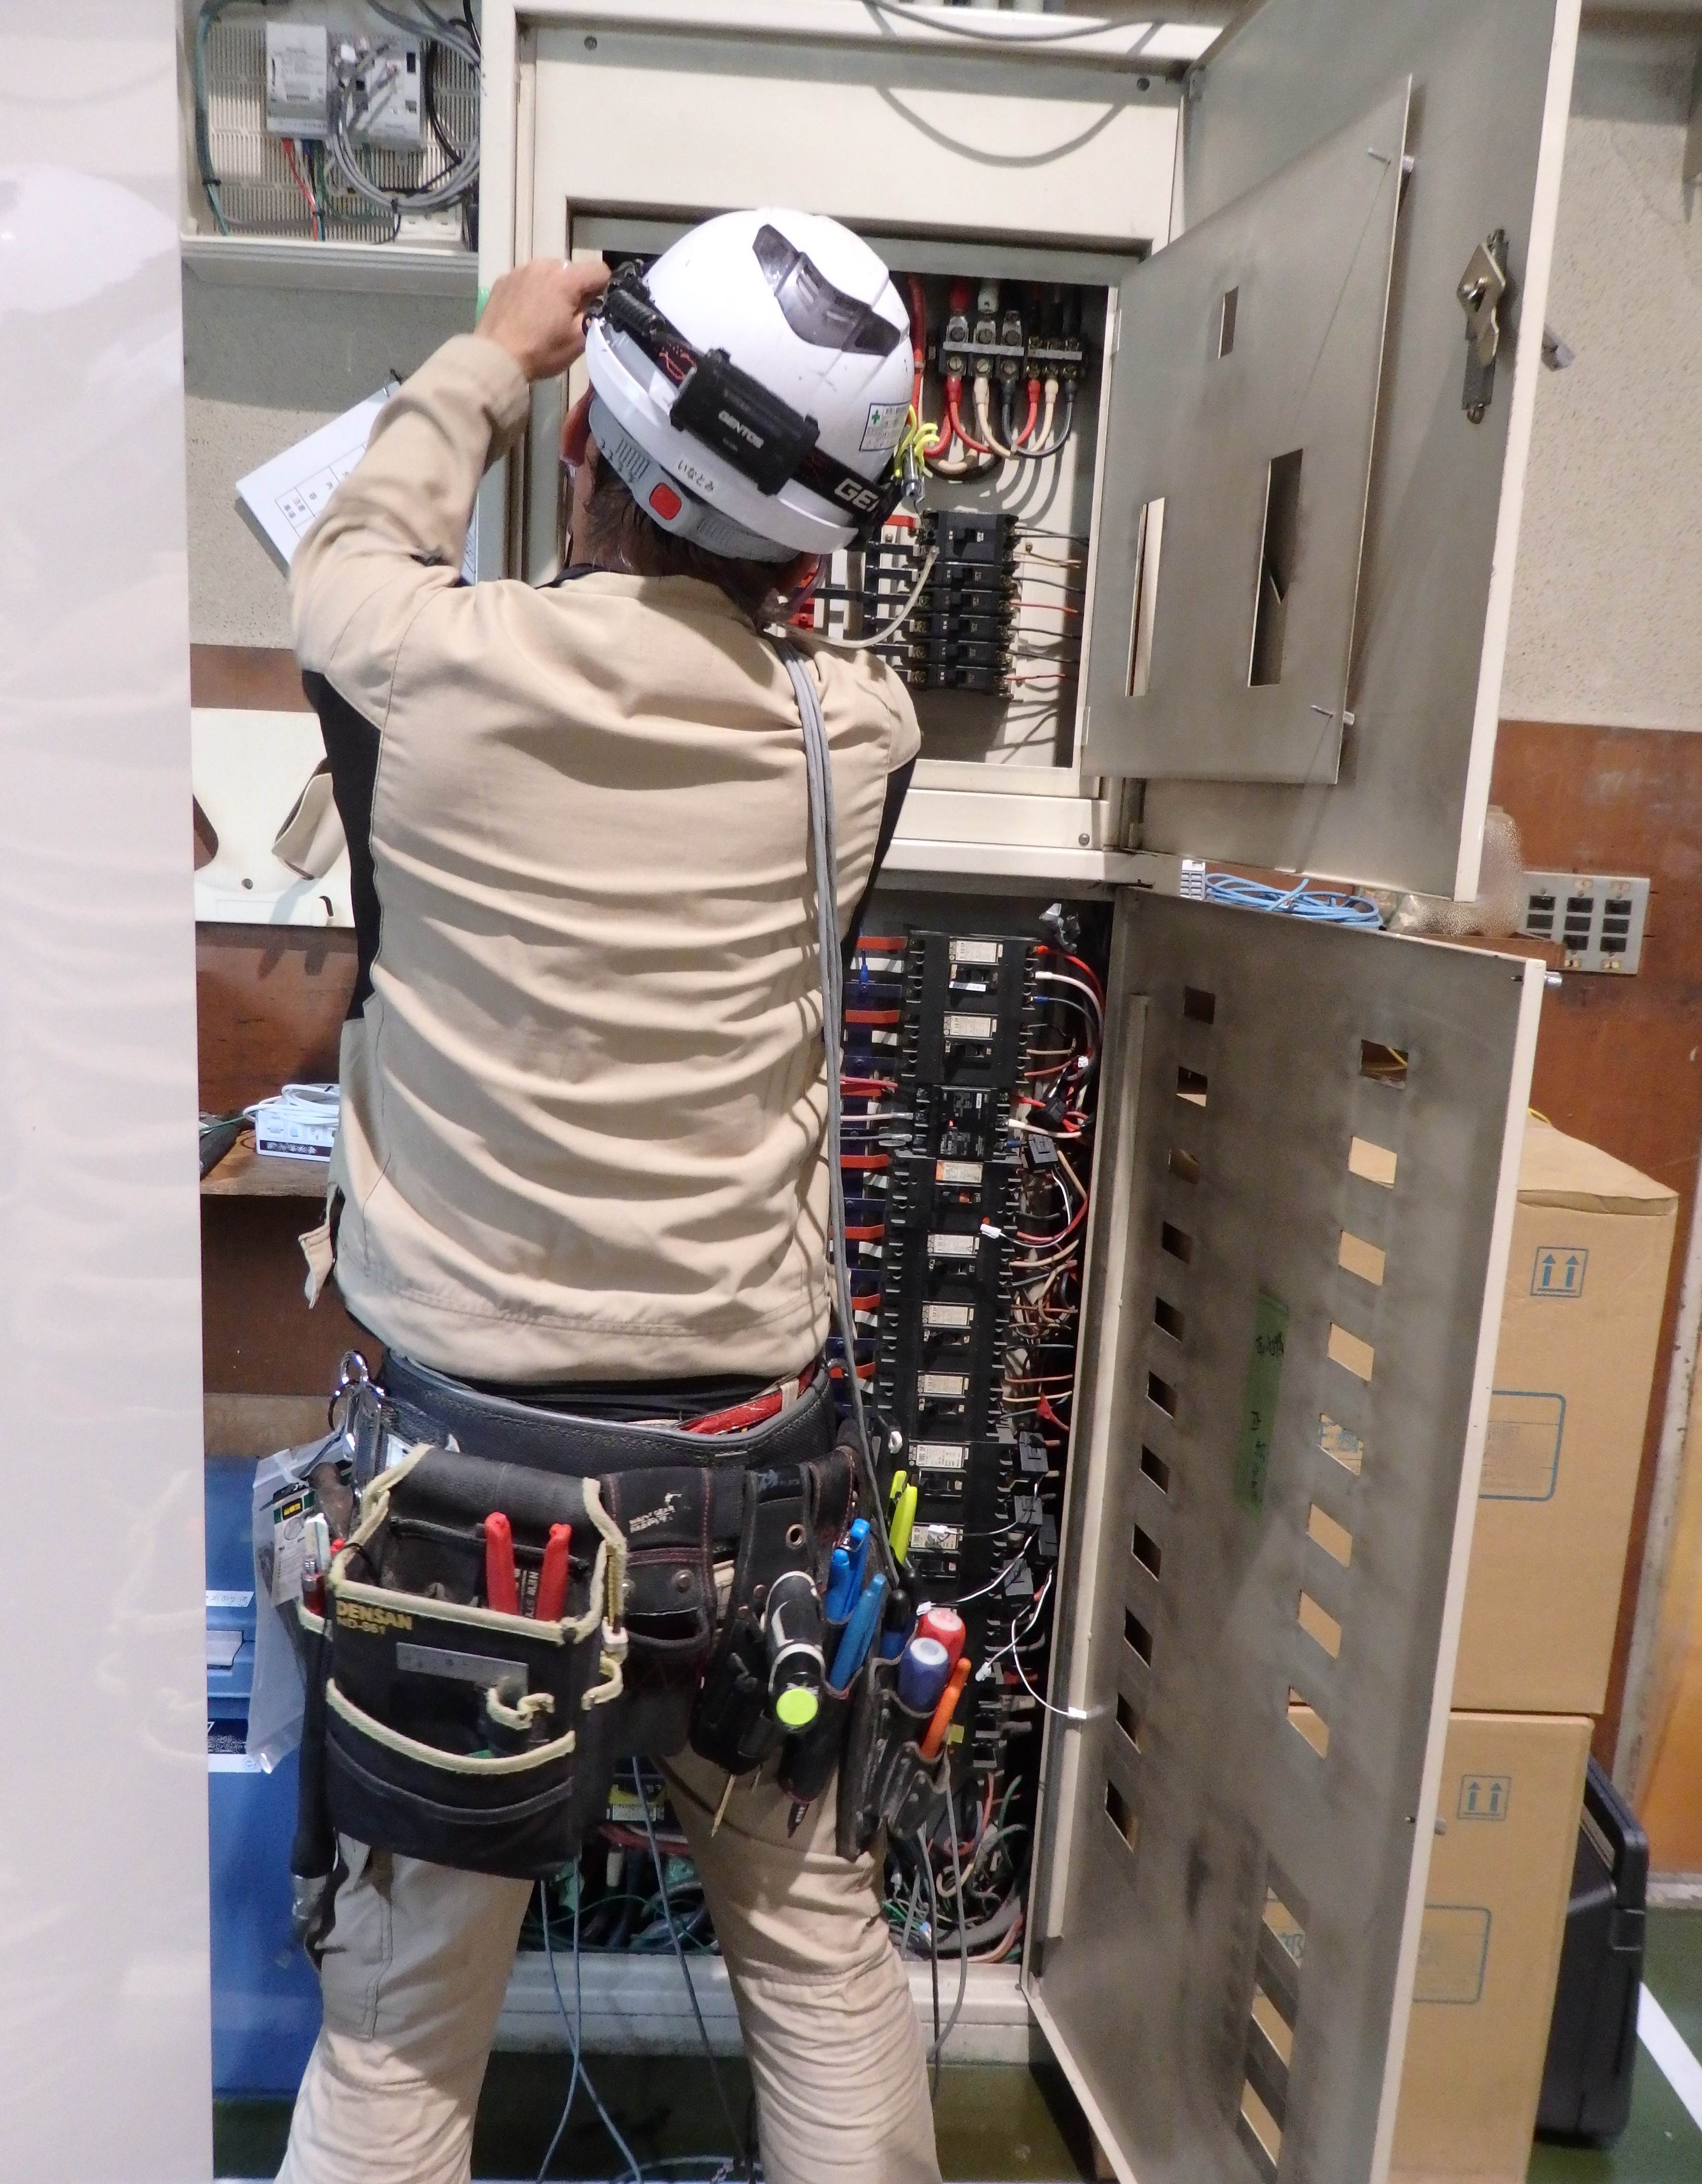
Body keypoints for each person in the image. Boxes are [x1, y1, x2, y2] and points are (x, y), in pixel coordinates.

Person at [277, 210, 938, 2184]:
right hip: (752, 1493)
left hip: (464, 1508)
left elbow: (353, 547)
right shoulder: (856, 737)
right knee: (824, 1966)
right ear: (816, 556)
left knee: (397, 2045)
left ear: (590, 447)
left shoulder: (412, 665)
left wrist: (496, 351)